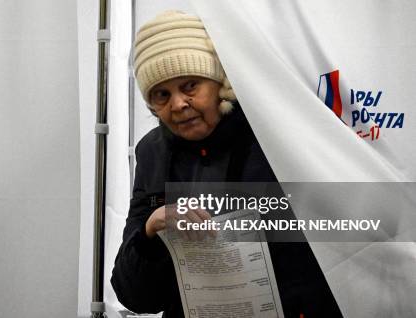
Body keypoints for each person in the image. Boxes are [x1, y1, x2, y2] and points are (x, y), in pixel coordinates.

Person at [111, 11, 343, 318]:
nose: (178, 104)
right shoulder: (153, 153)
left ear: (220, 82)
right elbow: (137, 298)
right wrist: (151, 232)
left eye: (190, 85)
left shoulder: (274, 134)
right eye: (161, 94)